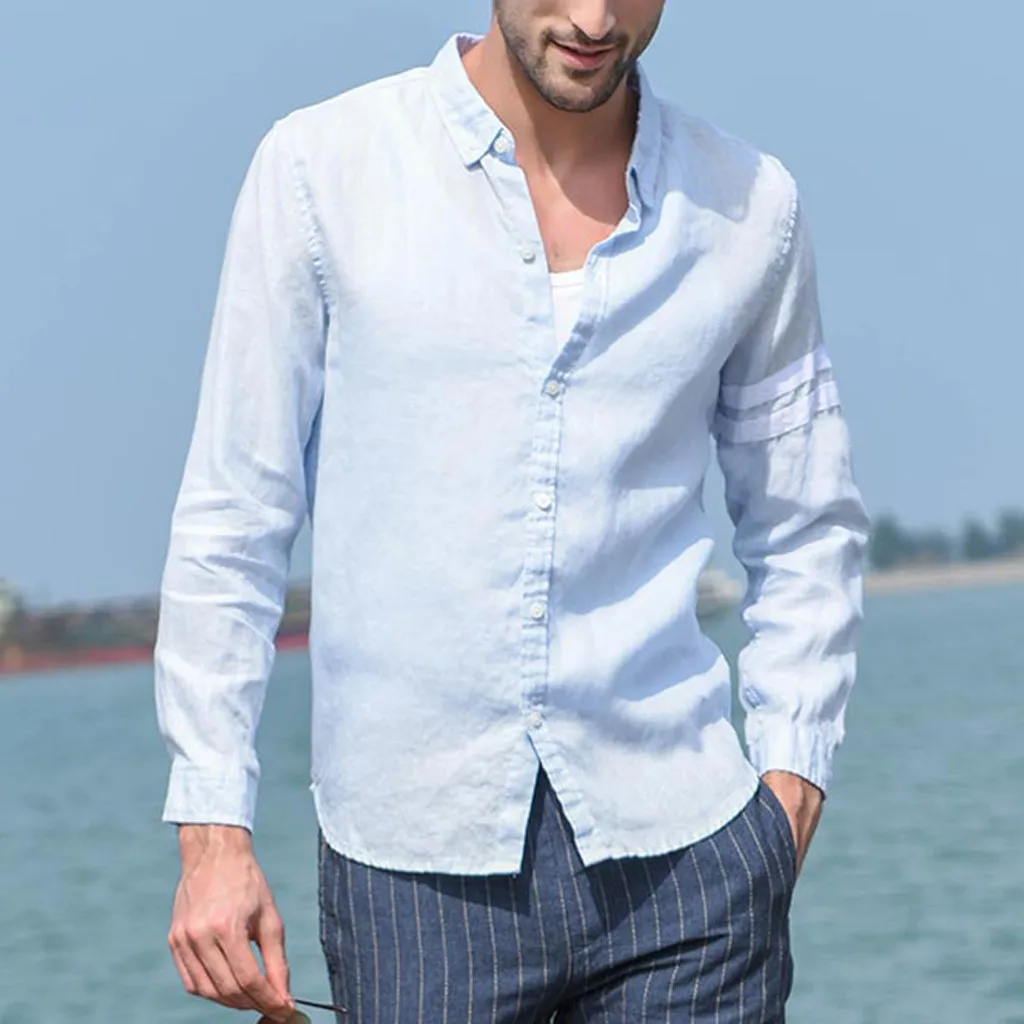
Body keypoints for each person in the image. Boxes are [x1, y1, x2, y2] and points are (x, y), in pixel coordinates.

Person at [155, 2, 870, 1021]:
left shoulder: (749, 207)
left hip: (690, 866)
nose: (592, 17)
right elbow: (234, 519)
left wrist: (791, 776)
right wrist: (212, 831)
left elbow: (806, 522)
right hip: (415, 880)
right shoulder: (322, 171)